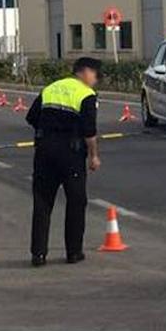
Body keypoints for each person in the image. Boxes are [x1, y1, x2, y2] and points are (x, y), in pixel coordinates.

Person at [26, 57, 102, 267]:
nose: (95, 80)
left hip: (44, 151)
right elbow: (89, 131)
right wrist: (93, 155)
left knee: (42, 202)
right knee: (76, 202)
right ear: (85, 72)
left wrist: (49, 131)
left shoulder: (51, 88)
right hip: (71, 154)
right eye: (95, 75)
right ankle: (73, 252)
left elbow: (31, 117)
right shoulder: (86, 94)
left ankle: (38, 254)